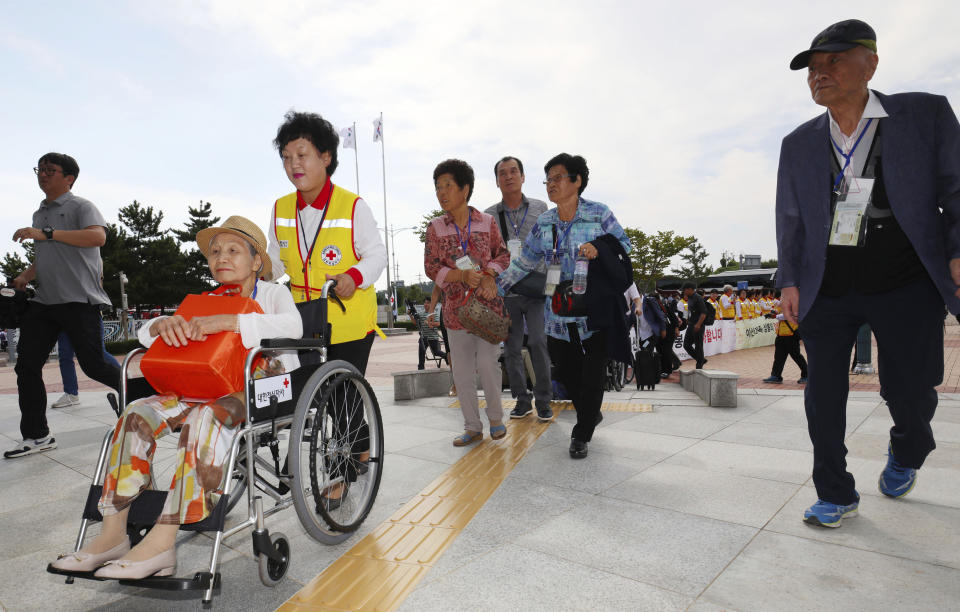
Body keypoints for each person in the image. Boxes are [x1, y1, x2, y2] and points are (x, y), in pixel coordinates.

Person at [776, 20, 960, 528]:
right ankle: (835, 492)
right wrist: (789, 279)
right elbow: (790, 217)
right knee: (822, 395)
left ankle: (908, 449)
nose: (820, 74)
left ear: (870, 64)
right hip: (828, 283)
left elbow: (956, 186)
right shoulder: (798, 143)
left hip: (906, 278)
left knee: (911, 390)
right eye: (813, 68)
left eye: (833, 61)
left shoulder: (924, 113)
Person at [50, 216, 301, 579]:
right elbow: (145, 334)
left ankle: (161, 542)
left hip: (256, 388)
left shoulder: (273, 293)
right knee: (136, 413)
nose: (221, 257)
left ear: (257, 261)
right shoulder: (205, 299)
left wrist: (229, 322)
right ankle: (112, 534)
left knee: (206, 419)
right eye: (214, 252)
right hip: (198, 387)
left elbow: (293, 328)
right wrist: (160, 325)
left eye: (233, 250)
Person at [267, 111, 387, 505]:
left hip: (350, 318)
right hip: (304, 318)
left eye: (302, 154)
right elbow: (275, 262)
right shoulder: (281, 208)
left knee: (342, 396)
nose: (293, 165)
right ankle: (360, 448)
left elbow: (375, 255)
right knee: (310, 393)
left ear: (326, 157)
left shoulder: (353, 206)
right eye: (286, 157)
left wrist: (354, 275)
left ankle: (342, 471)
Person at [497, 153, 631, 459]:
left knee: (593, 372)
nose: (551, 185)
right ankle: (589, 412)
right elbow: (525, 261)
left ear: (577, 181)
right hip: (558, 309)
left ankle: (581, 433)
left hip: (594, 308)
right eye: (548, 180)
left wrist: (598, 247)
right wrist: (497, 286)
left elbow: (624, 244)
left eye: (557, 178)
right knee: (567, 373)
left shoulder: (599, 213)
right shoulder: (545, 223)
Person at [5, 153, 122, 459]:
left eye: (50, 170)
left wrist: (46, 234)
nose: (43, 175)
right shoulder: (39, 213)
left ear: (68, 177)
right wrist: (26, 275)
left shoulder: (81, 206)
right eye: (39, 170)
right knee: (26, 365)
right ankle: (36, 435)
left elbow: (97, 237)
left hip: (78, 300)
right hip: (44, 302)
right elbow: (48, 255)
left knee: (94, 364)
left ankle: (146, 397)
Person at [424, 159, 510, 446]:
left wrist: (488, 275)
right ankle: (472, 426)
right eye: (438, 187)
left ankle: (496, 419)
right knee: (461, 373)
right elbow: (431, 267)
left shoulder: (486, 222)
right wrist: (459, 274)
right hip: (455, 312)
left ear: (465, 188)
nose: (442, 192)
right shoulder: (435, 228)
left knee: (488, 364)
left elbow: (503, 255)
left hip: (486, 309)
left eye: (448, 186)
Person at [484, 157, 553, 422]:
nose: (509, 176)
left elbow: (549, 245)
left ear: (523, 177)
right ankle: (522, 400)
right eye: (503, 173)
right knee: (511, 348)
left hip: (536, 289)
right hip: (507, 291)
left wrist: (551, 284)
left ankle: (544, 400)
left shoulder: (540, 207)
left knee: (537, 341)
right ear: (497, 180)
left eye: (514, 171)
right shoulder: (489, 214)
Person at [52, 323, 122, 409]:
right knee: (65, 356)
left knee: (97, 352)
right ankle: (71, 394)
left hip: (83, 315)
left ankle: (122, 375)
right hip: (62, 319)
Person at [762, 313, 808, 384]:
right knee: (778, 357)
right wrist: (775, 314)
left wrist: (775, 316)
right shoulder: (783, 303)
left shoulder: (793, 303)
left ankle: (806, 375)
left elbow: (788, 315)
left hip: (791, 336)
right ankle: (776, 376)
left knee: (797, 356)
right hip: (781, 335)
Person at [681, 282, 707, 369]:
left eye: (684, 290)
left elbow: (704, 313)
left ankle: (699, 364)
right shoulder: (689, 298)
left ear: (690, 289)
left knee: (698, 345)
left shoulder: (698, 298)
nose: (683, 292)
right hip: (691, 324)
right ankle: (700, 359)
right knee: (686, 345)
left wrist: (698, 324)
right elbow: (690, 311)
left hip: (698, 324)